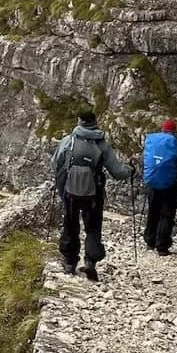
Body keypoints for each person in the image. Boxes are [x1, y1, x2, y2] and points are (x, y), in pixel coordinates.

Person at [52, 109, 134, 282]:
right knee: (93, 227)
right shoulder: (102, 144)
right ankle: (90, 262)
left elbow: (55, 162)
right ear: (95, 122)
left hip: (71, 191)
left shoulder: (69, 141)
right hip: (93, 194)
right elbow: (117, 172)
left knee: (70, 223)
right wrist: (130, 170)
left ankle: (69, 262)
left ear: (79, 121)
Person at [142, 119, 177, 256]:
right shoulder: (176, 142)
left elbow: (144, 160)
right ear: (174, 131)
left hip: (151, 182)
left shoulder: (151, 140)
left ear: (162, 129)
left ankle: (150, 241)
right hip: (170, 184)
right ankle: (162, 246)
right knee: (167, 214)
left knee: (153, 212)